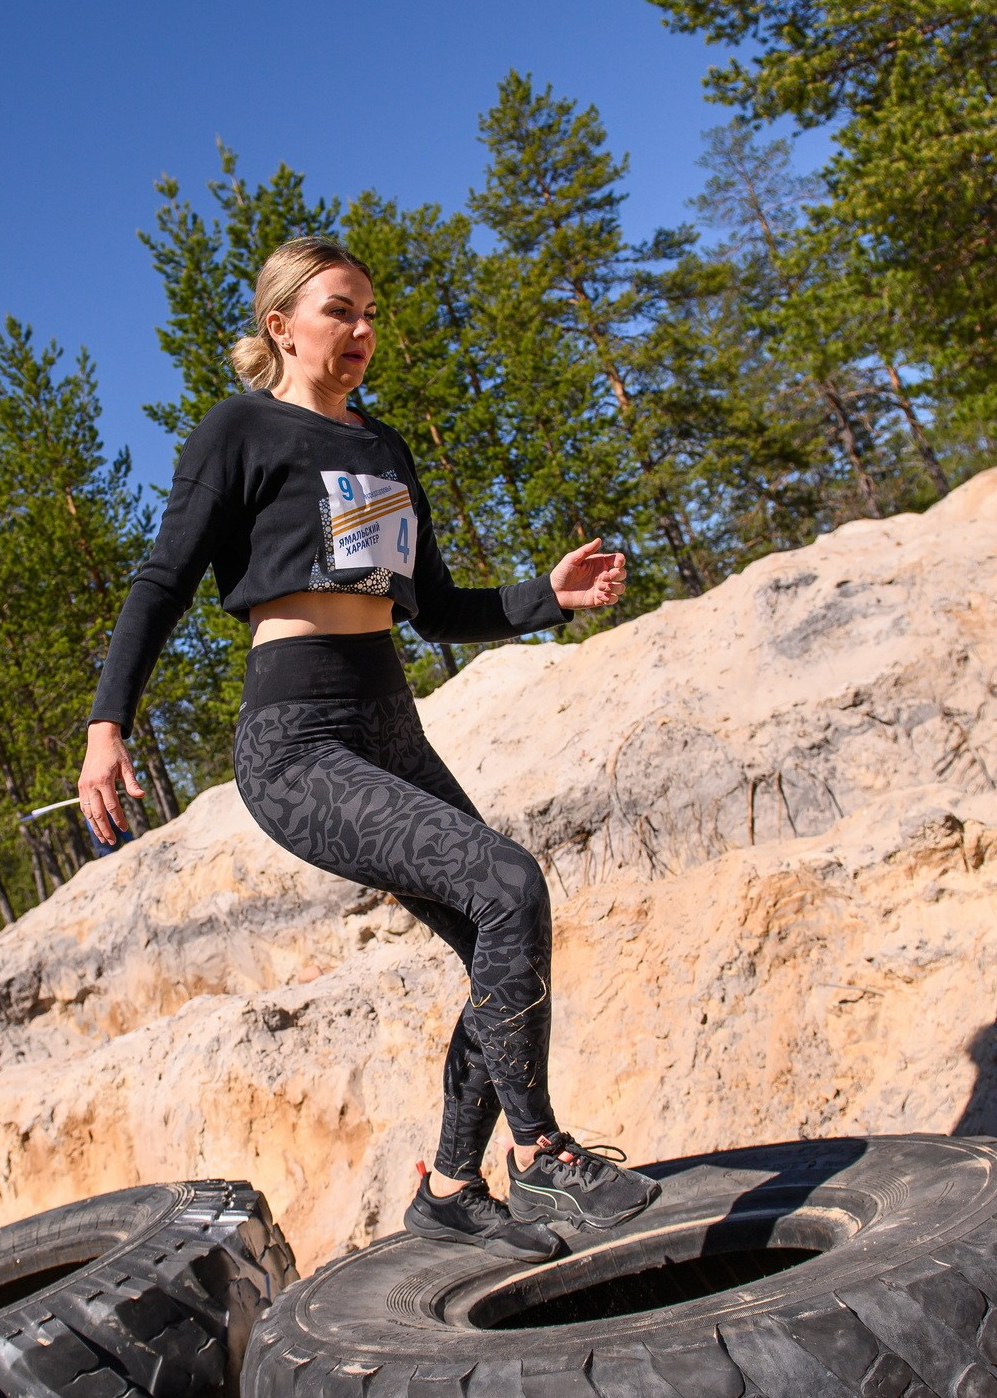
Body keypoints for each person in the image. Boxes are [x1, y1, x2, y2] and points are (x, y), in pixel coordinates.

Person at [77, 236, 659, 1260]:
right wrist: (106, 723)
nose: (359, 334)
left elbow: (431, 605)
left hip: (392, 725)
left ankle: (447, 1185)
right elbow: (161, 578)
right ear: (280, 326)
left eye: (368, 315)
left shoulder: (382, 450)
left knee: (496, 929)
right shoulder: (240, 431)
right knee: (508, 884)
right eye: (338, 312)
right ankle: (542, 1157)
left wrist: (544, 599)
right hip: (296, 741)